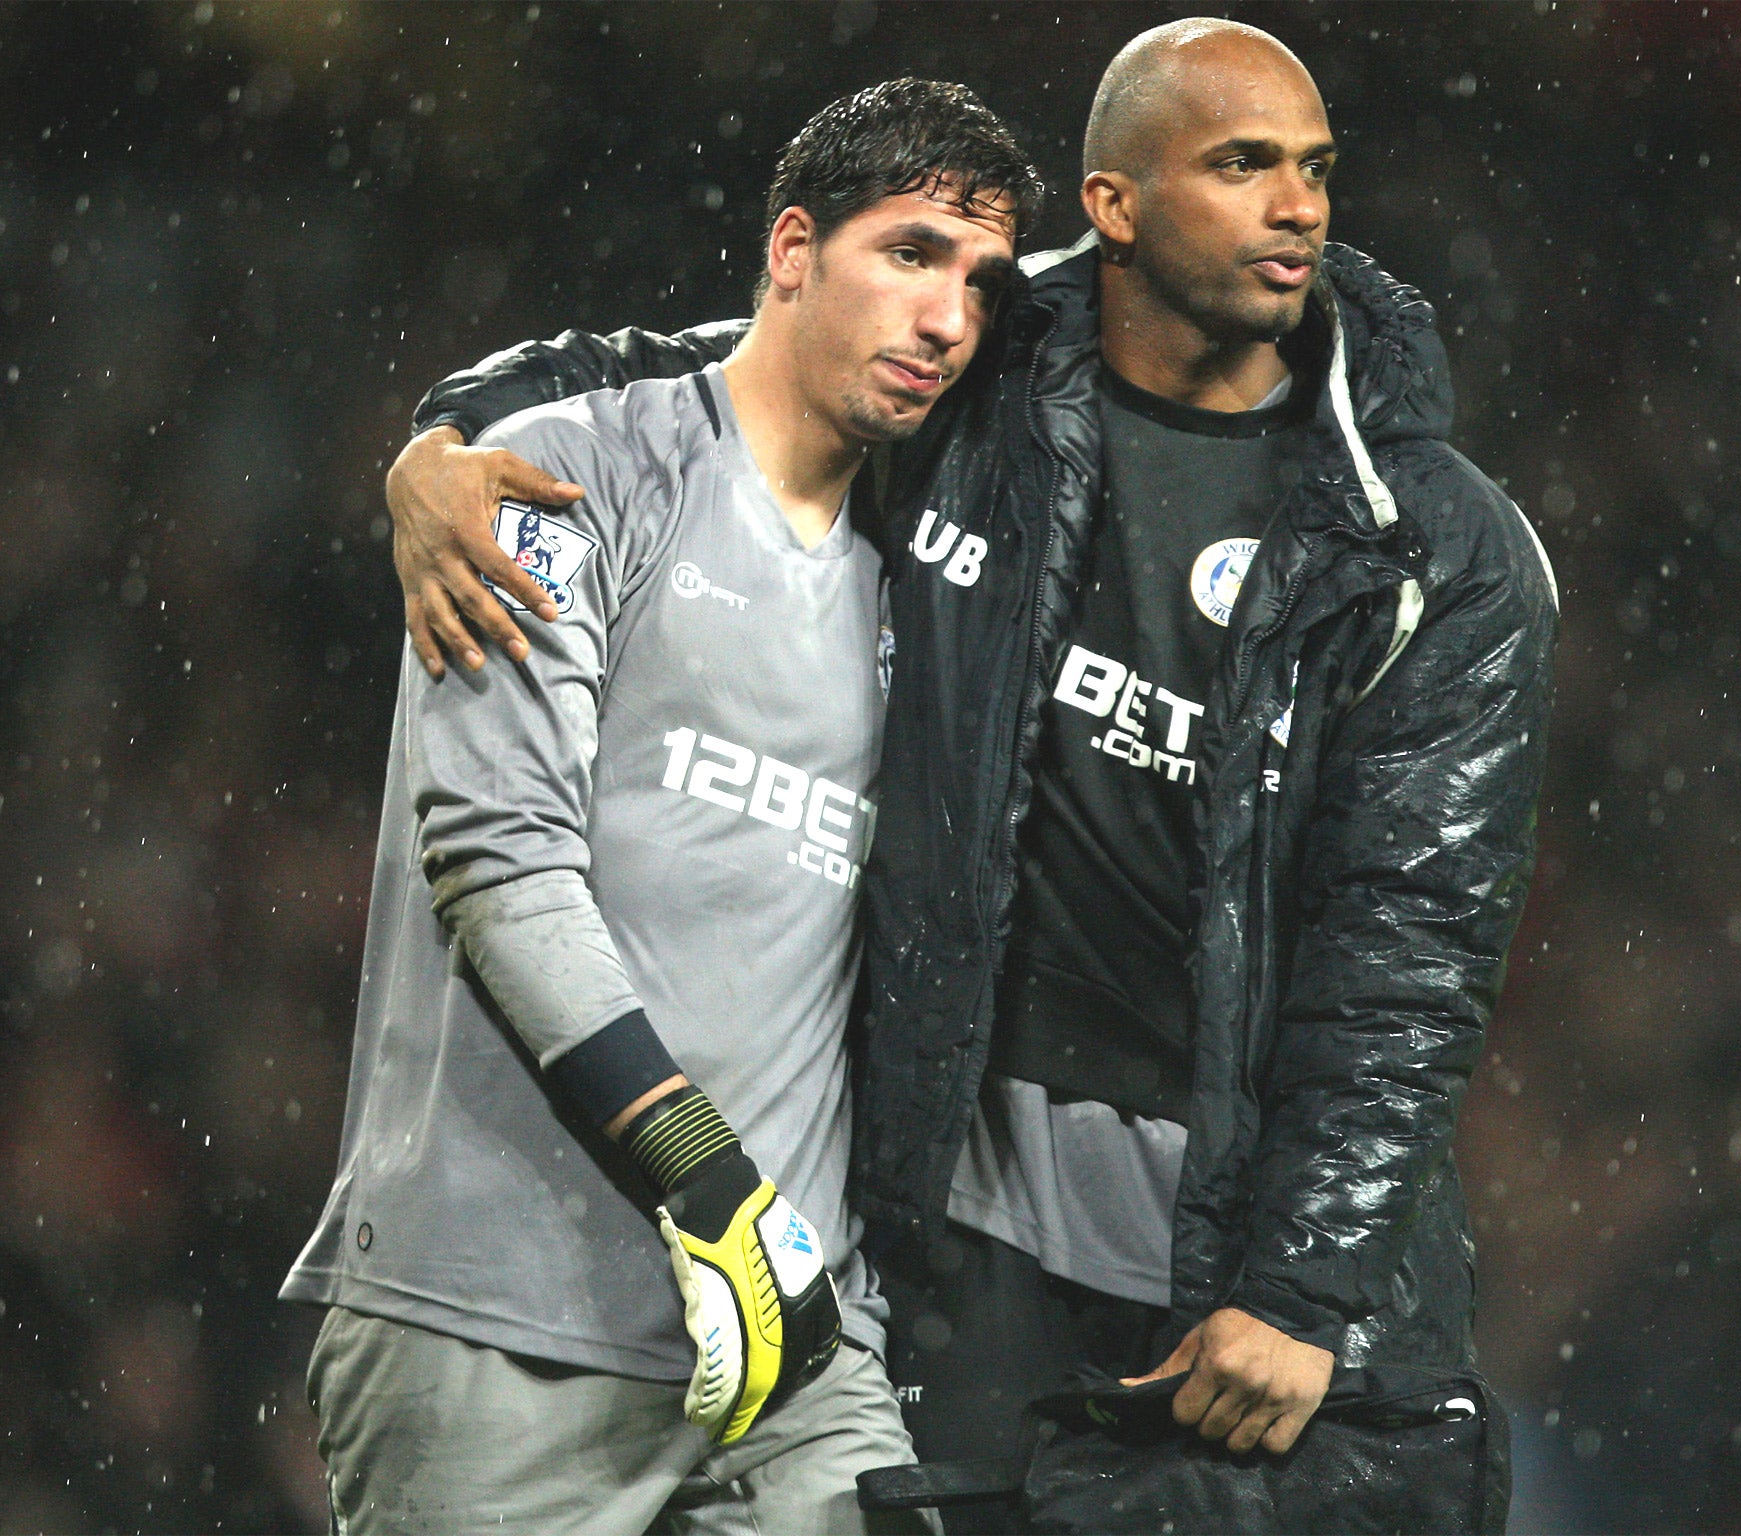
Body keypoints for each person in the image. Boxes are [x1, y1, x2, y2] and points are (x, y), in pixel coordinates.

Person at [385, 20, 1557, 1533]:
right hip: (965, 1242)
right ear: (1115, 206)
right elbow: (711, 368)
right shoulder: (978, 383)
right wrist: (449, 437)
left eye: (1316, 171)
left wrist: (1305, 1285)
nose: (1301, 209)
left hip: (1244, 1274)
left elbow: (1413, 950)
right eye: (1245, 165)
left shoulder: (1435, 546)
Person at [281, 79, 1038, 1536]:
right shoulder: (557, 476)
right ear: (794, 249)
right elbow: (499, 861)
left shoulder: (932, 574)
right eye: (912, 254)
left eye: (982, 282)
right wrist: (705, 1179)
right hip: (500, 1318)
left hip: (793, 1342)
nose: (949, 316)